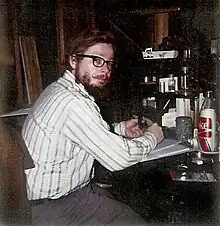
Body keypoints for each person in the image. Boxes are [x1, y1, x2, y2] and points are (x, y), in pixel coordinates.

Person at [22, 29, 164, 226]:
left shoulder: (60, 89)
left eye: (109, 63)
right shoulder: (71, 102)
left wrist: (120, 129)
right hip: (55, 208)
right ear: (74, 61)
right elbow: (118, 158)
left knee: (125, 203)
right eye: (97, 60)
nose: (105, 70)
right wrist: (153, 136)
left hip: (60, 197)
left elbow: (78, 135)